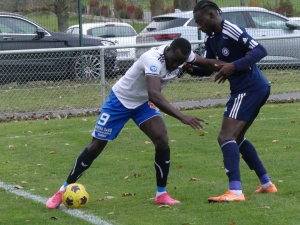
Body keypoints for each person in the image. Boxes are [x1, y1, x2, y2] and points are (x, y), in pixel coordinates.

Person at [46, 37, 222, 209]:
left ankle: (161, 194)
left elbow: (207, 63)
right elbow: (154, 93)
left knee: (161, 139)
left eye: (181, 62)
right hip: (121, 100)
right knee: (96, 146)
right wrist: (182, 117)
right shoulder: (152, 59)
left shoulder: (183, 57)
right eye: (174, 60)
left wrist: (233, 66)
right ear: (168, 50)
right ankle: (62, 190)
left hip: (143, 104)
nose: (176, 65)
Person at [187, 0, 278, 202]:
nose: (198, 26)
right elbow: (210, 65)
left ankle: (235, 191)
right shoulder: (211, 38)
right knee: (236, 139)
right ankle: (266, 184)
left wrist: (234, 66)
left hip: (250, 88)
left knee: (225, 136)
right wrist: (192, 70)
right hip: (248, 89)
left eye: (199, 21)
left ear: (211, 15)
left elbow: (260, 50)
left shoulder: (231, 29)